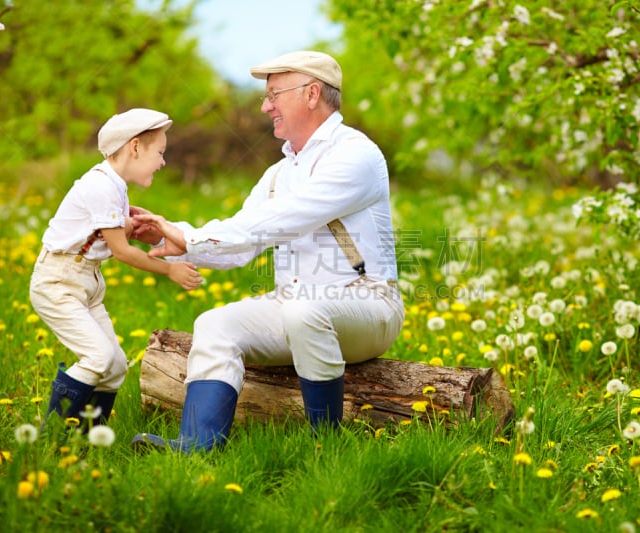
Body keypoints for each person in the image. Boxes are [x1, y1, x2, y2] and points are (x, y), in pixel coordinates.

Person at [131, 50, 405, 452]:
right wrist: (168, 239)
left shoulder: (355, 155)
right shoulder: (278, 173)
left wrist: (189, 239)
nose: (265, 106)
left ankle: (326, 447)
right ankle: (196, 446)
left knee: (304, 312)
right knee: (215, 324)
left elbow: (285, 219)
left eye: (274, 94)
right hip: (293, 304)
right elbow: (242, 243)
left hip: (367, 306)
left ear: (312, 94)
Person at [30, 108, 203, 431]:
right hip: (58, 282)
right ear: (135, 148)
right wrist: (169, 270)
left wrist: (135, 224)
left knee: (115, 366)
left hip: (87, 282)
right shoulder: (100, 186)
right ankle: (53, 438)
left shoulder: (117, 188)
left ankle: (87, 440)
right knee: (97, 357)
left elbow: (116, 234)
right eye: (160, 153)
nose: (163, 162)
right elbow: (122, 252)